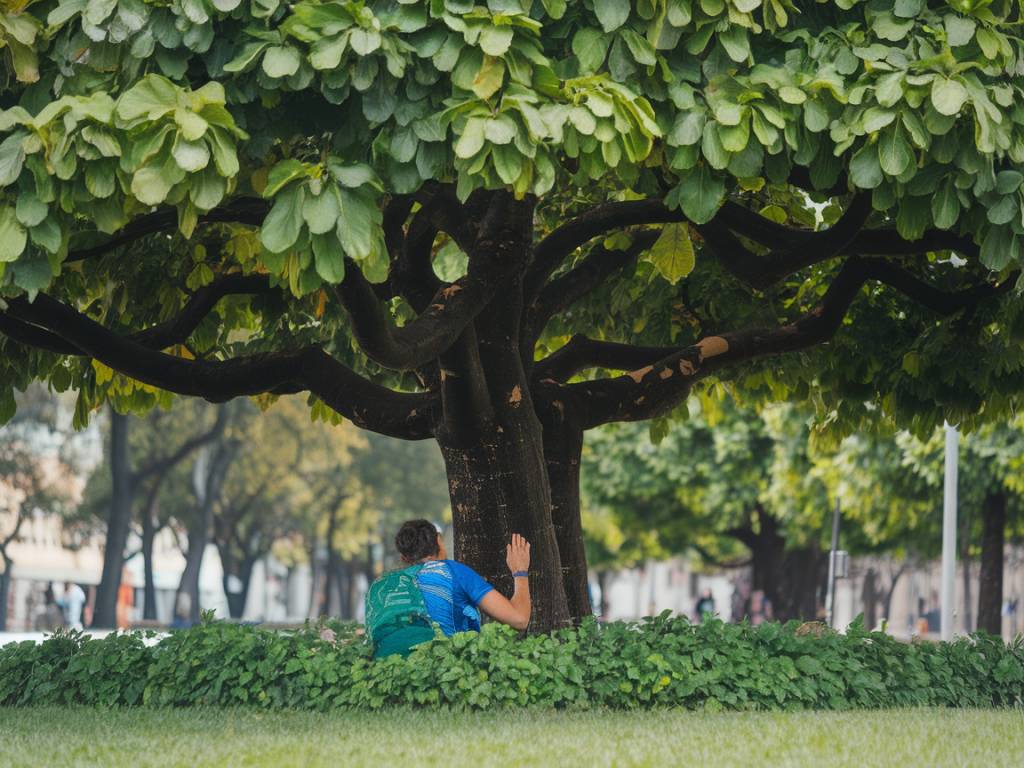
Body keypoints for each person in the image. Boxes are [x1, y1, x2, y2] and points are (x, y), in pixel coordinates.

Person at [365, 519, 531, 657]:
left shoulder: (379, 586)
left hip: (386, 677)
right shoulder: (452, 571)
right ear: (439, 540)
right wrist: (520, 571)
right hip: (441, 672)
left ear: (404, 558)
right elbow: (519, 619)